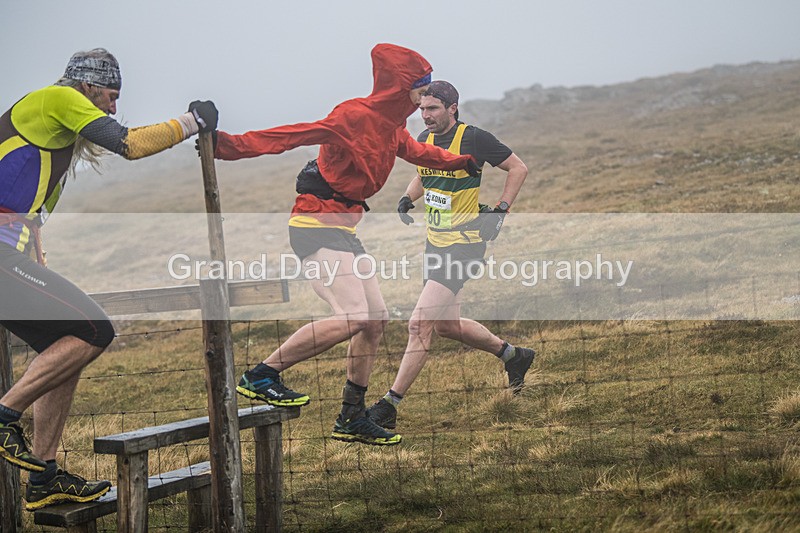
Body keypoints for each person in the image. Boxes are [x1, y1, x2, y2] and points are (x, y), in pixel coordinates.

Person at [212, 44, 477, 446]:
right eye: (419, 88)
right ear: (398, 86)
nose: (425, 97)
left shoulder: (393, 127)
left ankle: (351, 417)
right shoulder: (353, 115)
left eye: (427, 90)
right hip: (314, 222)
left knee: (375, 320)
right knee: (354, 315)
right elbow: (294, 135)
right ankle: (262, 375)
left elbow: (419, 152)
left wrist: (461, 162)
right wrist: (226, 146)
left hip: (343, 229)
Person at [0, 48, 218, 510]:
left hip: (9, 253)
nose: (114, 108)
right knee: (95, 330)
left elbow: (25, 212)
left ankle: (43, 478)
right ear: (87, 86)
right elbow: (131, 144)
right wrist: (192, 121)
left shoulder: (52, 129)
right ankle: (3, 416)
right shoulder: (56, 98)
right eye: (111, 96)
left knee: (66, 345)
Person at [366, 80, 535, 430]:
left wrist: (501, 210)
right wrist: (407, 197)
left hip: (465, 244)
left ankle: (388, 405)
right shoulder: (425, 141)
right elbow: (425, 174)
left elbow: (518, 168)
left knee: (419, 324)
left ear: (452, 108)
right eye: (422, 109)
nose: (425, 116)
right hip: (435, 242)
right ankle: (514, 356)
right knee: (447, 325)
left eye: (432, 109)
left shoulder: (474, 139)